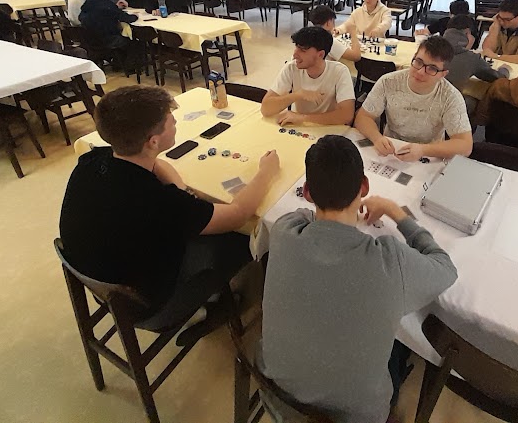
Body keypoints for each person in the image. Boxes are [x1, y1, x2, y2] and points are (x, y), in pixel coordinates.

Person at [260, 135, 457, 423]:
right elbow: (445, 268)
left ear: (308, 192)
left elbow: (303, 215)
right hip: (356, 417)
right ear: (364, 187)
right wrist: (396, 212)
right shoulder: (390, 261)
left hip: (278, 401)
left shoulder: (283, 230)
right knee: (402, 342)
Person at [59, 85, 281, 330]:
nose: (175, 121)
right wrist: (266, 173)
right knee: (240, 238)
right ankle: (207, 306)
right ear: (153, 141)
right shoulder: (159, 201)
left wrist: (182, 191)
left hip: (101, 280)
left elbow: (156, 164)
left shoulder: (93, 160)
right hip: (147, 306)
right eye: (169, 120)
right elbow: (238, 214)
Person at [354, 36, 473, 161]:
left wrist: (423, 150)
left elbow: (465, 145)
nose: (420, 72)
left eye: (432, 68)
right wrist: (377, 138)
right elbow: (363, 117)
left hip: (430, 155)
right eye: (418, 62)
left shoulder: (450, 96)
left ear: (443, 74)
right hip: (391, 149)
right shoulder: (388, 81)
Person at [262, 27, 355, 127]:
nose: (295, 54)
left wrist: (303, 117)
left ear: (320, 54)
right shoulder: (291, 68)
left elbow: (347, 115)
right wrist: (298, 95)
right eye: (296, 47)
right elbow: (266, 109)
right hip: (299, 128)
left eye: (302, 50)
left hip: (327, 128)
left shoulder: (339, 71)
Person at [443, 15, 509, 90]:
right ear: (467, 32)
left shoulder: (433, 46)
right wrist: (504, 70)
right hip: (449, 97)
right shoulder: (471, 58)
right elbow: (498, 78)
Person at [481, 0, 518, 65]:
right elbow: (487, 50)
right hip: (499, 64)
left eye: (507, 19)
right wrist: (496, 27)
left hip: (517, 66)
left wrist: (497, 57)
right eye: (500, 17)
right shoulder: (498, 23)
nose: (502, 22)